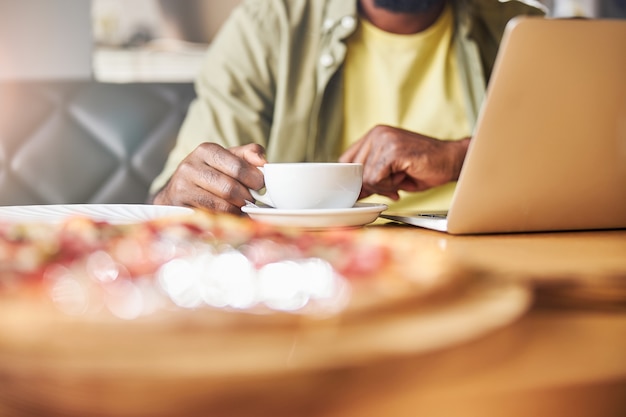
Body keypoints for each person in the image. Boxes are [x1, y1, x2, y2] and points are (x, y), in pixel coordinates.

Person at [149, 0, 545, 214]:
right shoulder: (266, 30)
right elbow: (184, 195)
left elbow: (588, 175)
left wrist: (461, 157)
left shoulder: (526, 31)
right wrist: (176, 198)